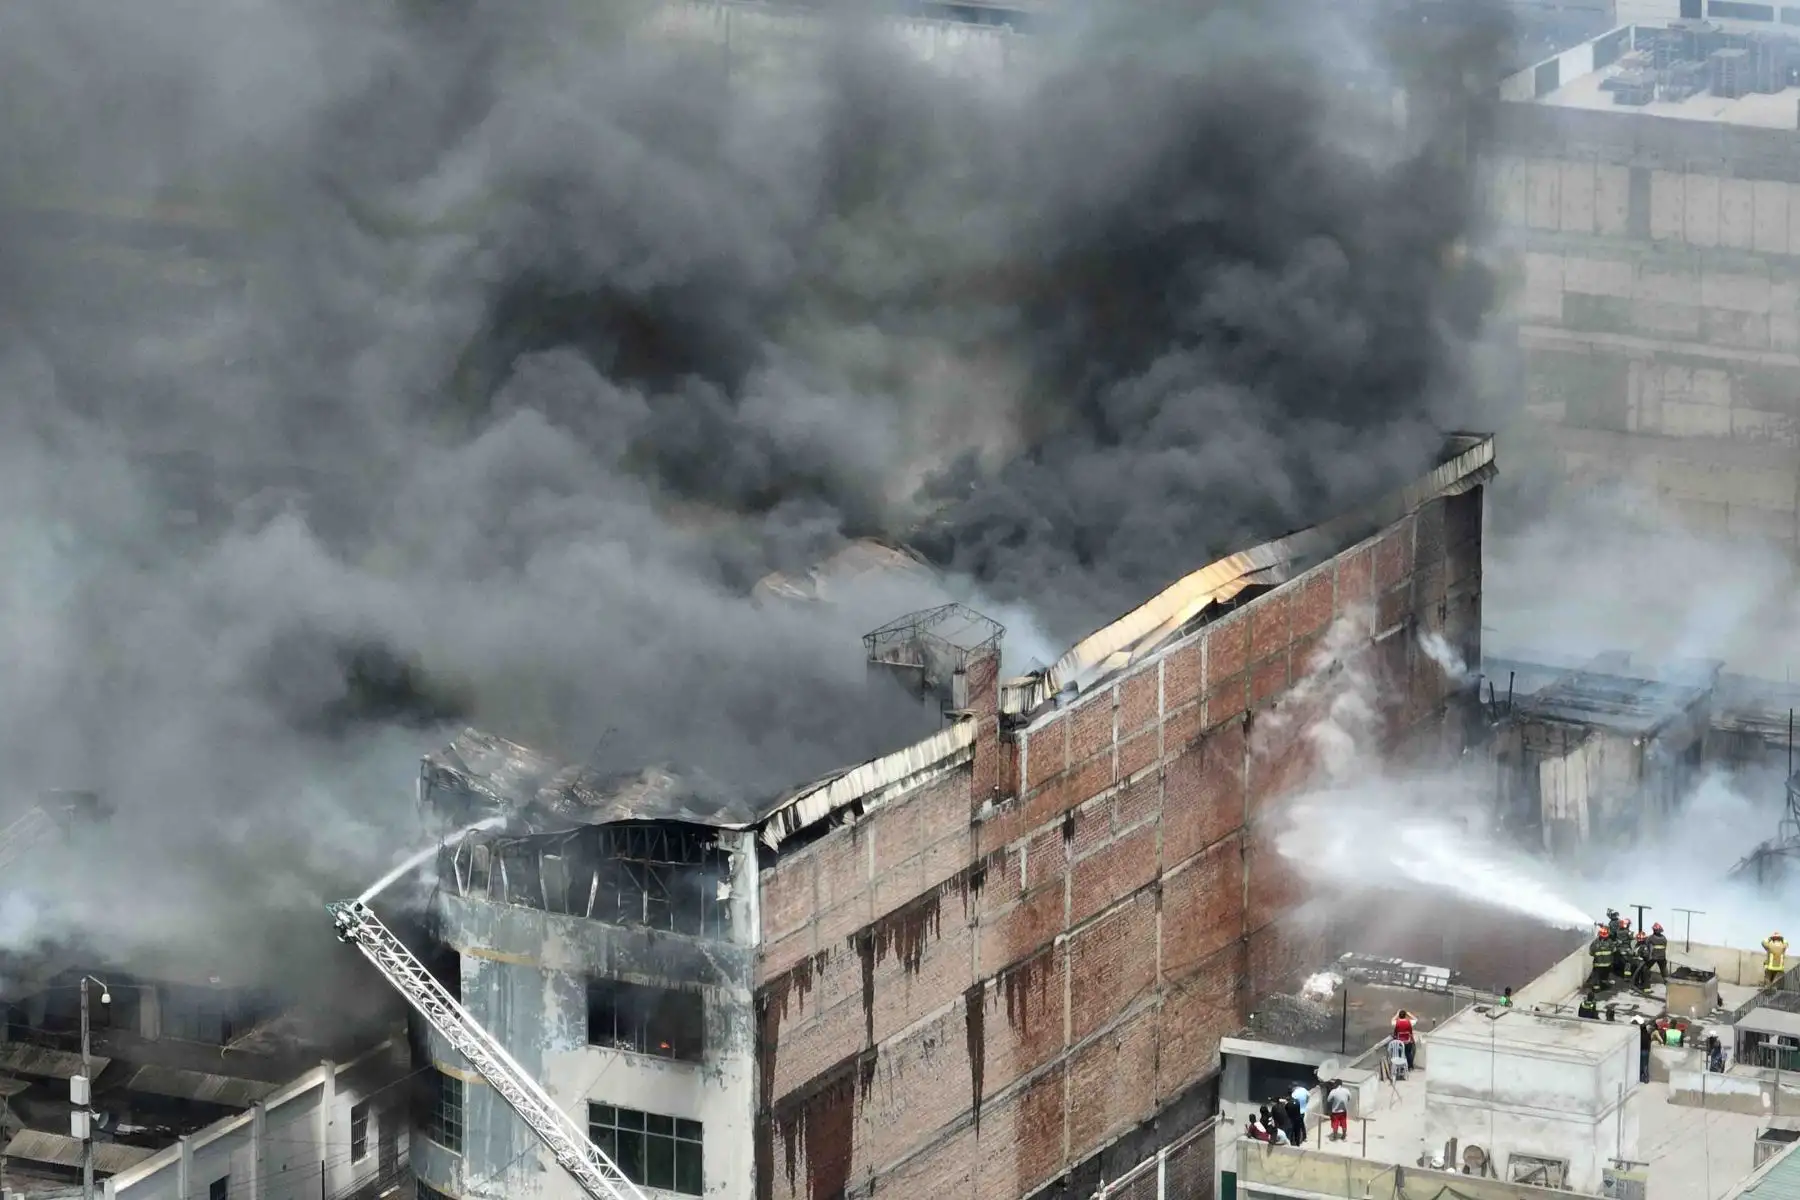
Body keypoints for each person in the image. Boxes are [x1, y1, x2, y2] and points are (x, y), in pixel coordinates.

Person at [1635, 1017, 1652, 1083]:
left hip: (1640, 1051)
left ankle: (1640, 1078)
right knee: (1645, 1065)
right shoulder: (1648, 1034)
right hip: (1646, 1051)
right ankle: (1646, 1078)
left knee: (1640, 1064)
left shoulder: (1639, 1034)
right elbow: (1649, 1042)